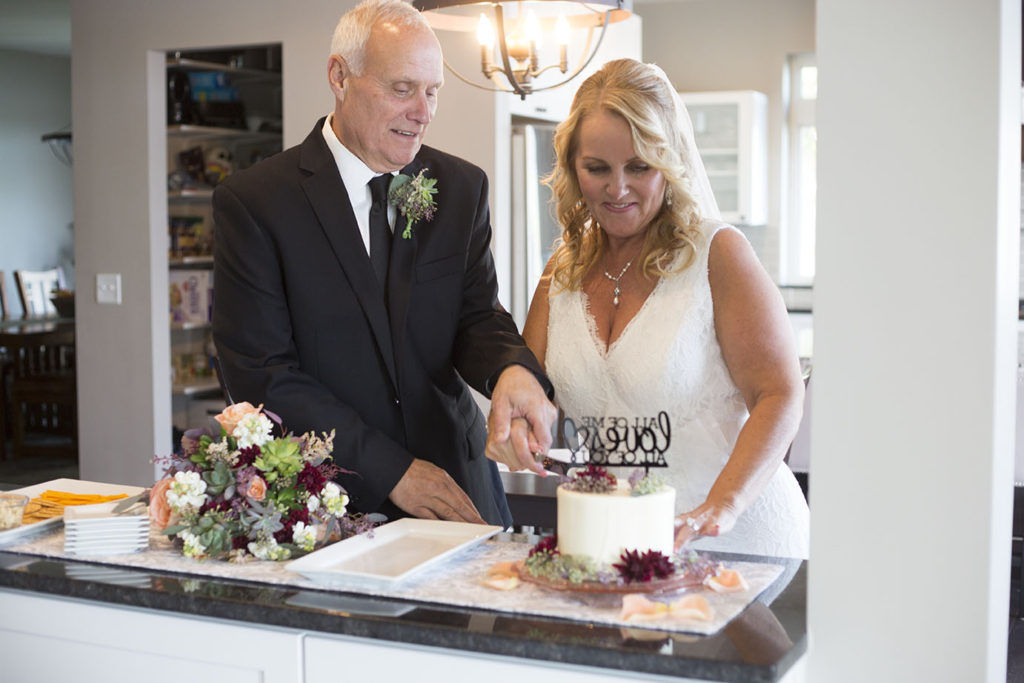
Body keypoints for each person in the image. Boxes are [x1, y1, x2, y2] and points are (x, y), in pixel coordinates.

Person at [211, 0, 556, 529]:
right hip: (329, 500)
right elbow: (264, 374)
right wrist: (392, 470)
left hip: (458, 488)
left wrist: (511, 370)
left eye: (433, 91)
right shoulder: (256, 203)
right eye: (402, 89)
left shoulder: (461, 188)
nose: (424, 112)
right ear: (339, 76)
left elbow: (478, 317)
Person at [508, 58, 809, 558]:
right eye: (597, 168)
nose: (617, 188)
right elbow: (533, 394)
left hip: (740, 538)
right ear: (571, 167)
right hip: (623, 544)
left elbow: (780, 393)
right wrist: (519, 429)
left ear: (669, 163)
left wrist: (723, 505)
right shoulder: (561, 269)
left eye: (640, 167)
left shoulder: (718, 254)